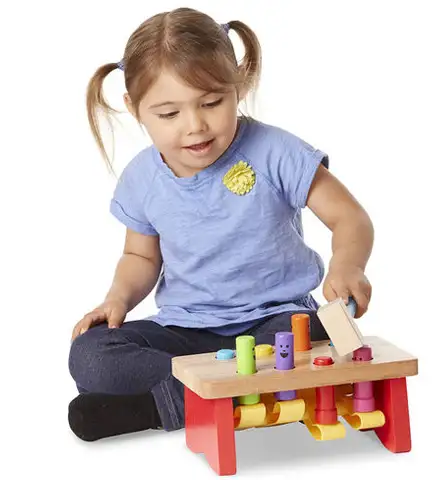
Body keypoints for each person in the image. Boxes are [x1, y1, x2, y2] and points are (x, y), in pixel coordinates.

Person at [68, 7, 374, 442]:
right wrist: (116, 299)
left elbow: (349, 217)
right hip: (185, 332)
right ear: (135, 109)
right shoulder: (141, 177)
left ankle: (155, 407)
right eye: (169, 114)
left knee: (316, 337)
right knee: (91, 355)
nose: (195, 126)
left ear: (238, 85)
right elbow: (140, 255)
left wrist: (348, 265)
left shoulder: (274, 151)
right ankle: (227, 393)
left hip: (275, 324)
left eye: (212, 103)